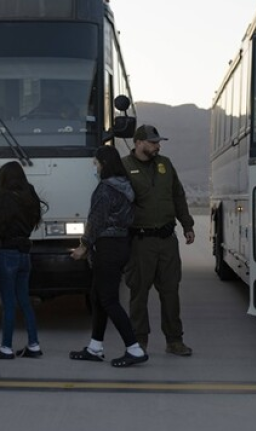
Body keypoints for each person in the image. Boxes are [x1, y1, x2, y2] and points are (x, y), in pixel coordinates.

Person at [122, 124, 195, 357]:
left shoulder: (165, 164)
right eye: (153, 142)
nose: (157, 146)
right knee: (139, 293)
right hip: (140, 241)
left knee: (171, 292)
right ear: (138, 143)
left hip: (167, 240)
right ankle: (138, 341)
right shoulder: (124, 167)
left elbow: (178, 195)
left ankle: (174, 340)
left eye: (158, 142)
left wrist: (187, 225)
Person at [69, 145, 146, 367]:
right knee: (97, 296)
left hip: (107, 248)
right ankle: (95, 347)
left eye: (96, 163)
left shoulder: (105, 189)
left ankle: (134, 348)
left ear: (104, 164)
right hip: (121, 244)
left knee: (109, 300)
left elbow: (96, 221)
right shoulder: (125, 186)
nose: (95, 168)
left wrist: (83, 246)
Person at [0, 161, 45, 361]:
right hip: (25, 254)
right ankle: (34, 345)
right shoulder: (30, 196)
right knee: (24, 301)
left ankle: (6, 347)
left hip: (7, 254)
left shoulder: (6, 198)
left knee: (8, 303)